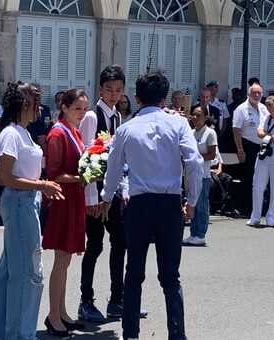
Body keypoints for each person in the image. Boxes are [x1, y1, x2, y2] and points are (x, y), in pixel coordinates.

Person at [100, 71, 203, 340]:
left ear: (135, 97)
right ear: (164, 97)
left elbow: (113, 171)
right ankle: (177, 335)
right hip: (170, 203)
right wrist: (191, 202)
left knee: (133, 273)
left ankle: (131, 334)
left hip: (139, 204)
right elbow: (194, 163)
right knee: (171, 277)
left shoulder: (125, 129)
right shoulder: (178, 125)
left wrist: (107, 197)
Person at [0, 81, 62, 340]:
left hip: (26, 201)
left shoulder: (22, 133)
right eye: (35, 101)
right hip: (20, 201)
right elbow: (4, 177)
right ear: (25, 104)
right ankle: (19, 334)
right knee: (28, 272)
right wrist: (43, 184)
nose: (39, 107)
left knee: (8, 270)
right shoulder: (12, 134)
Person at [78, 64, 136, 323]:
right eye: (110, 89)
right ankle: (86, 300)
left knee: (120, 244)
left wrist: (122, 190)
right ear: (100, 89)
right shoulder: (92, 117)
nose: (114, 95)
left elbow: (120, 160)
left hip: (112, 193)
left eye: (119, 90)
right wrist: (92, 199)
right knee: (95, 246)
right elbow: (87, 158)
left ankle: (116, 299)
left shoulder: (118, 118)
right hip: (95, 195)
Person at [42, 88, 88, 336]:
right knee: (61, 259)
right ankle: (52, 315)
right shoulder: (57, 134)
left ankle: (61, 311)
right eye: (76, 108)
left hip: (74, 197)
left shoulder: (75, 131)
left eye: (83, 109)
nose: (81, 113)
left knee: (67, 259)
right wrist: (84, 176)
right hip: (62, 198)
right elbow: (55, 173)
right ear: (64, 108)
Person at [247, 95, 274, 227]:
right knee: (257, 185)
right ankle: (255, 216)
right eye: (266, 104)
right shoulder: (265, 116)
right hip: (266, 150)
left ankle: (271, 217)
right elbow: (260, 132)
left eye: (271, 104)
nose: (268, 107)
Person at [232, 83, 268, 216]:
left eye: (259, 93)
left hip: (262, 146)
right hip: (248, 145)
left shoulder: (264, 108)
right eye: (254, 93)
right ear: (249, 94)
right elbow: (236, 130)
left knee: (261, 177)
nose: (257, 95)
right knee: (247, 178)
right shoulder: (241, 109)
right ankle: (245, 206)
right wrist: (240, 149)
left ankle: (259, 206)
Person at [183, 105, 216, 246]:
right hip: (190, 175)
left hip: (203, 174)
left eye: (198, 115)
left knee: (201, 204)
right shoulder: (190, 133)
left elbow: (212, 154)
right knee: (192, 203)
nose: (195, 118)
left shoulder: (209, 133)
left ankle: (201, 233)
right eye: (193, 115)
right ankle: (193, 233)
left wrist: (195, 158)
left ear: (205, 117)